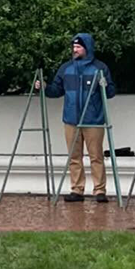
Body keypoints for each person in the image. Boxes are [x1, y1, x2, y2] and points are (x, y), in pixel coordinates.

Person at [47, 35, 114, 202]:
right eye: (73, 47)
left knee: (96, 156)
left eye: (78, 47)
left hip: (94, 119)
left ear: (87, 48)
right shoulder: (66, 68)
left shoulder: (100, 68)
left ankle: (100, 191)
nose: (74, 50)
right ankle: (77, 189)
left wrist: (104, 85)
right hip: (71, 119)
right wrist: (44, 88)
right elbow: (56, 90)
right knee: (74, 156)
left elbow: (111, 92)